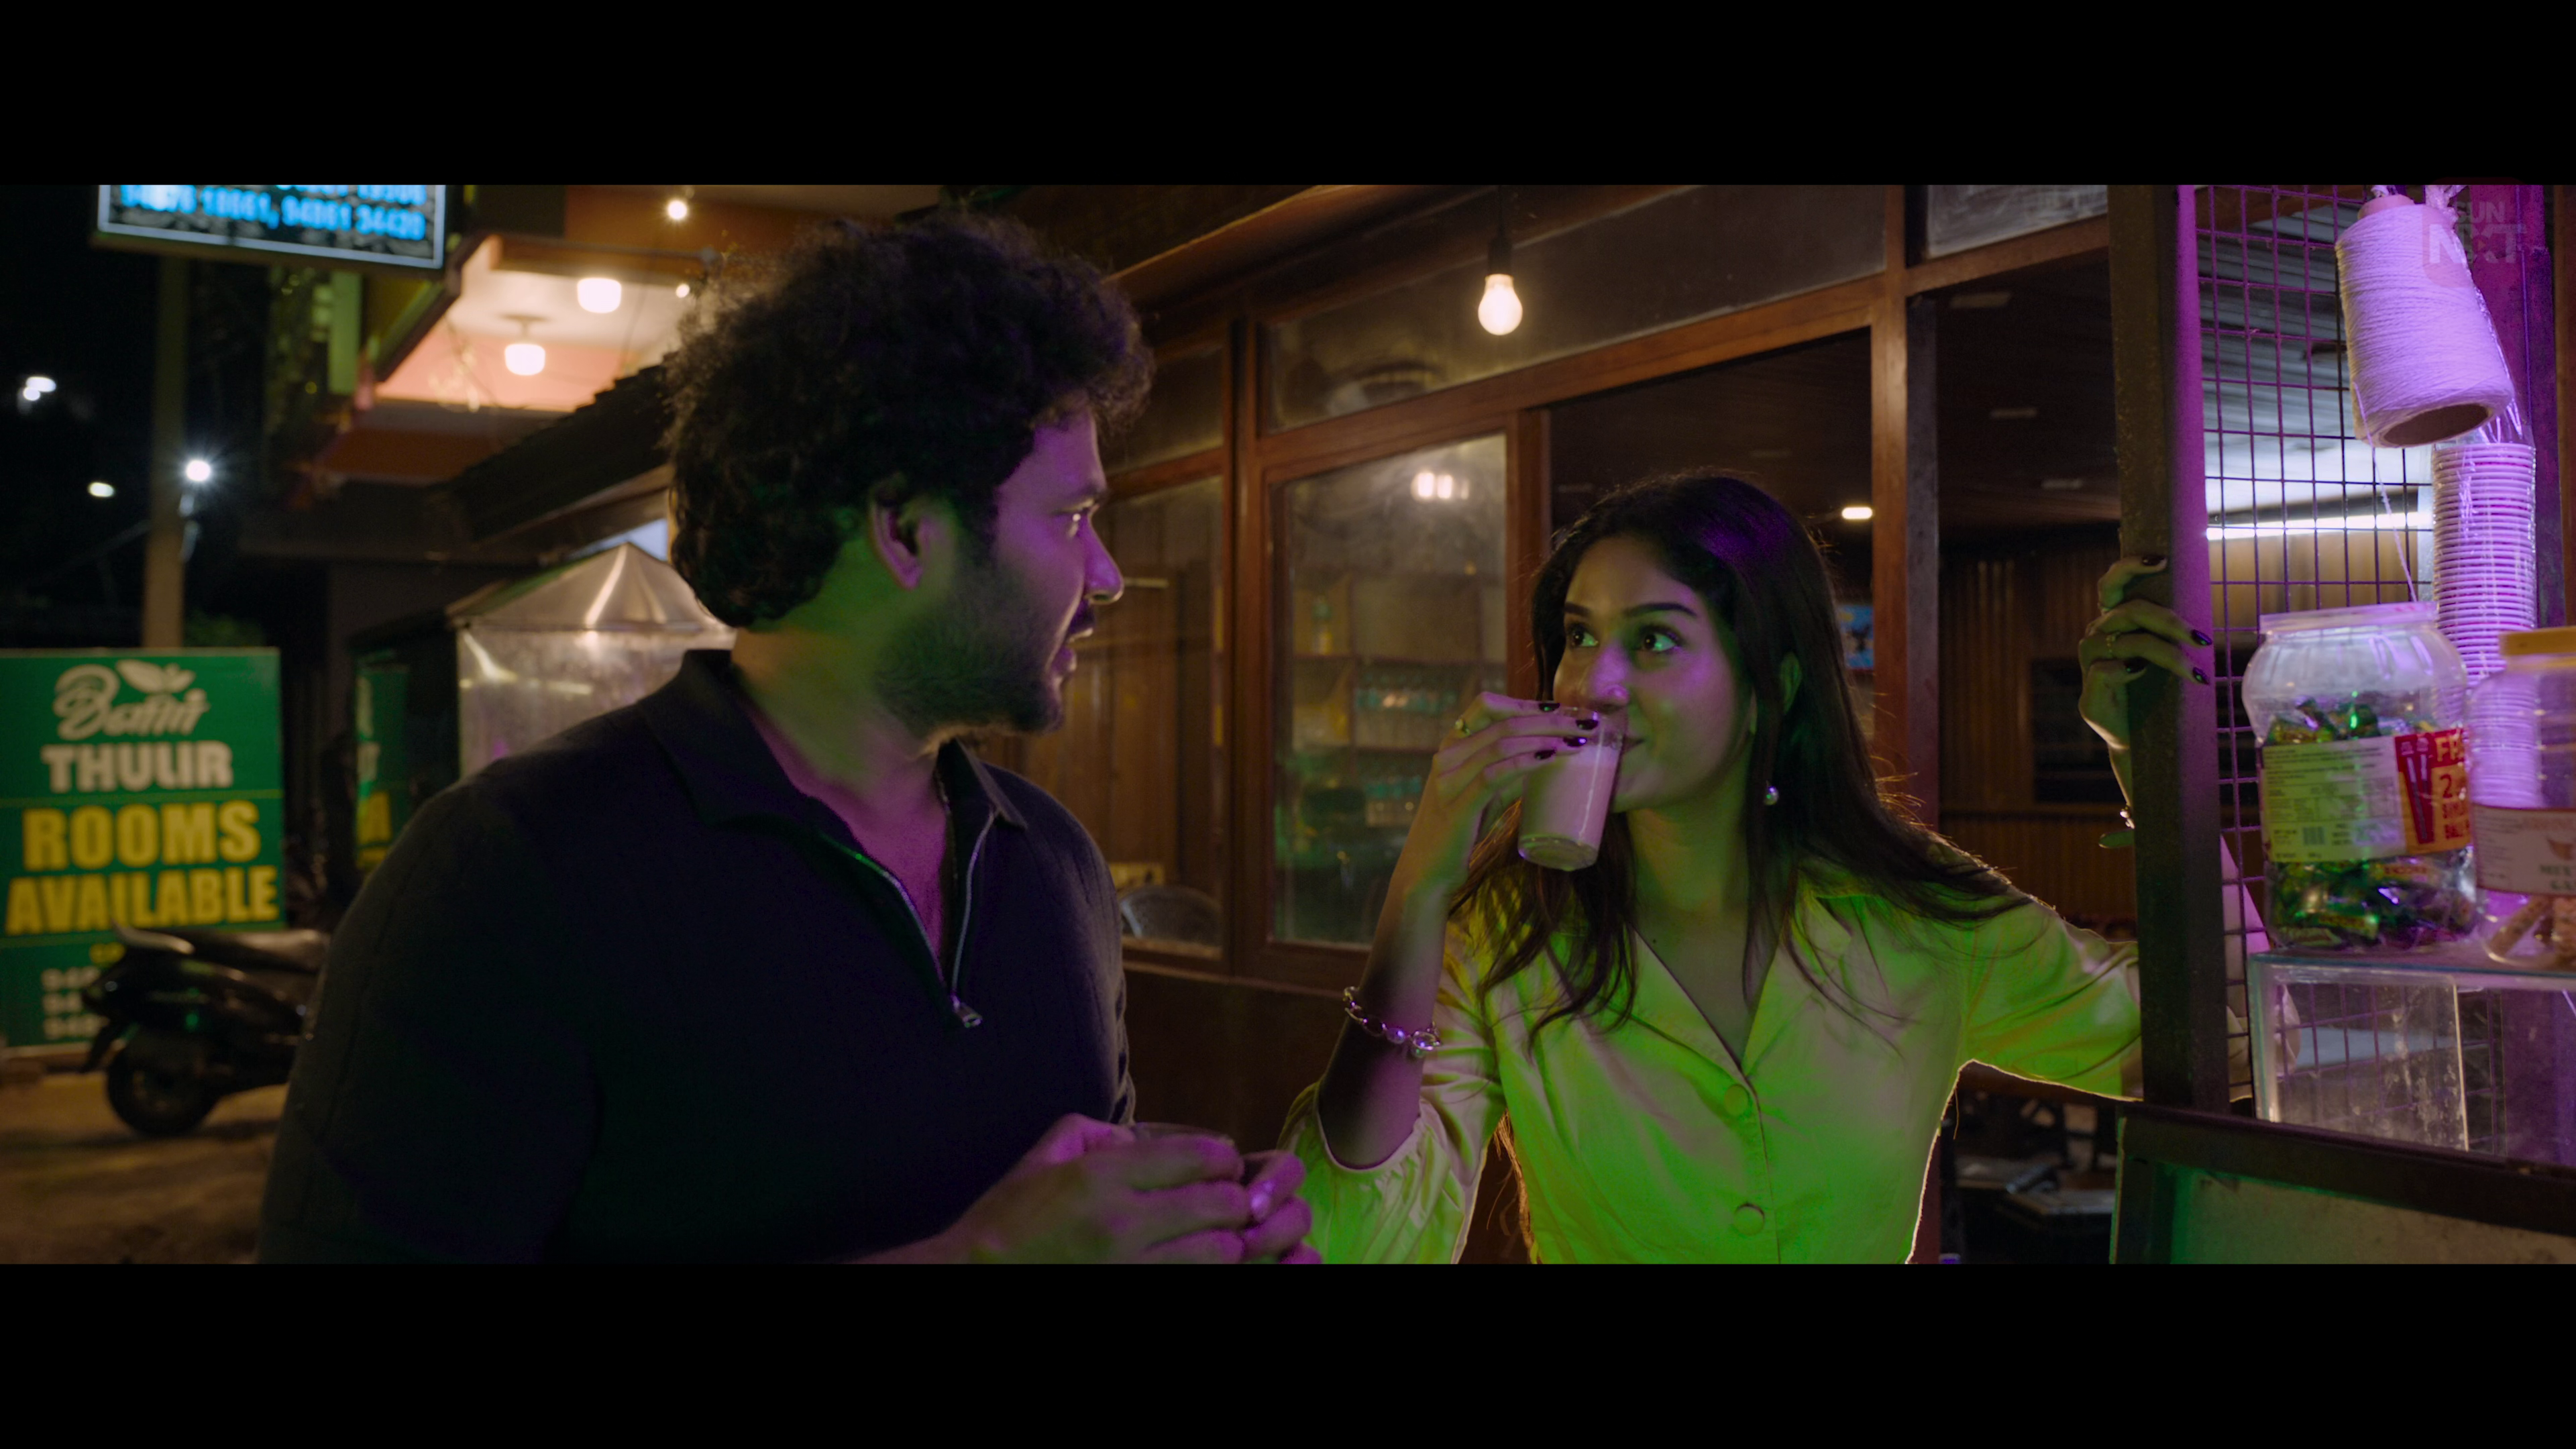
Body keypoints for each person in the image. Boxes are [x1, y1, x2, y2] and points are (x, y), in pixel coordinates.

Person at [260, 213, 1314, 1263]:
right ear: (905, 532)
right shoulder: (510, 873)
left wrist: (1200, 1231)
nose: (1109, 577)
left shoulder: (1055, 866)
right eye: (1073, 518)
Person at [1283, 472, 2201, 1263]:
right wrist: (1420, 888)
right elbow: (1349, 1240)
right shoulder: (1510, 934)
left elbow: (2222, 1041)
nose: (1592, 683)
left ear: (1772, 687)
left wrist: (2156, 762)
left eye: (1653, 639)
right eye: (1578, 636)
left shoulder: (1906, 910)